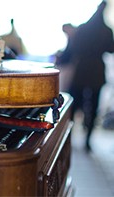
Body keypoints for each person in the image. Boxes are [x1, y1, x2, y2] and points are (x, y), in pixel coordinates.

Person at [61, 1, 114, 151]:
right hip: (97, 70)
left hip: (82, 69)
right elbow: (111, 49)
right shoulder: (106, 30)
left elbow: (73, 48)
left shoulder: (83, 28)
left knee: (74, 103)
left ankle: (67, 135)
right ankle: (87, 140)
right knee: (93, 105)